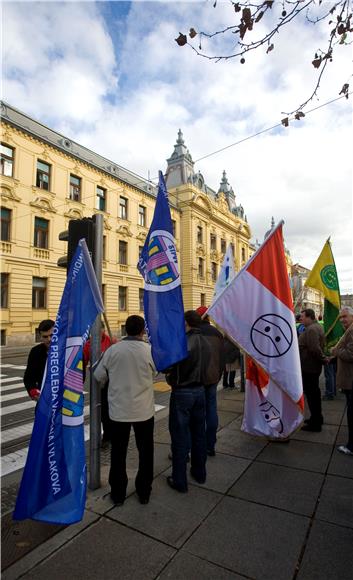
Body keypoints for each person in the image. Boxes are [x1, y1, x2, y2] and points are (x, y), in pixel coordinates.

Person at [94, 315, 156, 505]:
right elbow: (156, 372)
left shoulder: (113, 350)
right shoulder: (149, 351)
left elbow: (98, 376)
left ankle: (118, 493)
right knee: (146, 452)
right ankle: (144, 492)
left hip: (119, 411)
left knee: (118, 452)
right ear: (142, 331)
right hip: (144, 411)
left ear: (125, 330)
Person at [165, 310, 210, 493]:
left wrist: (170, 376)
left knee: (180, 436)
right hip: (200, 391)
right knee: (199, 434)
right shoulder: (206, 342)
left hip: (183, 391)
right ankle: (199, 473)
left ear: (186, 323)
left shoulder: (183, 342)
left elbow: (168, 366)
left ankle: (179, 480)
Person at [83, 320, 117, 447]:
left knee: (110, 409)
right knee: (100, 410)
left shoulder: (111, 342)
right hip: (96, 382)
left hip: (111, 381)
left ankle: (110, 435)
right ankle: (105, 435)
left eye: (99, 329)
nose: (96, 333)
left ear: (103, 329)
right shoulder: (88, 345)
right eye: (93, 331)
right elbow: (83, 361)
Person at [196, 305, 224, 457]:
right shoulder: (217, 333)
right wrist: (218, 375)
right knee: (211, 410)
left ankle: (197, 445)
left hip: (197, 379)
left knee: (197, 413)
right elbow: (222, 357)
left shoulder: (195, 333)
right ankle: (210, 445)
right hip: (213, 378)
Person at [298, 308, 327, 432]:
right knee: (313, 394)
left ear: (310, 317)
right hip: (311, 367)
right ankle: (316, 418)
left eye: (303, 317)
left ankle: (315, 423)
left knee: (312, 395)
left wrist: (323, 359)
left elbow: (314, 348)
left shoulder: (312, 329)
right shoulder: (314, 327)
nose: (300, 319)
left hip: (309, 367)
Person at [330, 307, 353, 455]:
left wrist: (335, 351)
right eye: (340, 318)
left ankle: (351, 447)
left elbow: (351, 354)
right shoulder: (349, 329)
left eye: (345, 317)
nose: (342, 320)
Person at [24, 319, 55, 401]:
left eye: (52, 335)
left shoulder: (65, 350)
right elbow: (29, 377)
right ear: (40, 336)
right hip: (44, 398)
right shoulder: (35, 352)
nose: (49, 339)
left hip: (65, 399)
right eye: (45, 336)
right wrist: (33, 391)